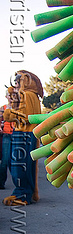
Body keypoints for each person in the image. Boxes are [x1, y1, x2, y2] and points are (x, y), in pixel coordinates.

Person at [2, 70, 43, 206]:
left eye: (18, 81)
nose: (16, 84)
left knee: (19, 166)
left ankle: (22, 195)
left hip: (24, 133)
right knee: (24, 165)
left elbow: (24, 117)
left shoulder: (28, 95)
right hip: (27, 134)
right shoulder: (30, 95)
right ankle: (26, 193)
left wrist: (8, 114)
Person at [0, 89, 15, 189]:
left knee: (15, 160)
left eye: (13, 95)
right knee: (5, 160)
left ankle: (19, 183)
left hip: (17, 135)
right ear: (6, 97)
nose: (11, 97)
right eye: (9, 95)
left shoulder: (18, 108)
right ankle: (1, 183)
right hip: (6, 135)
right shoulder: (3, 108)